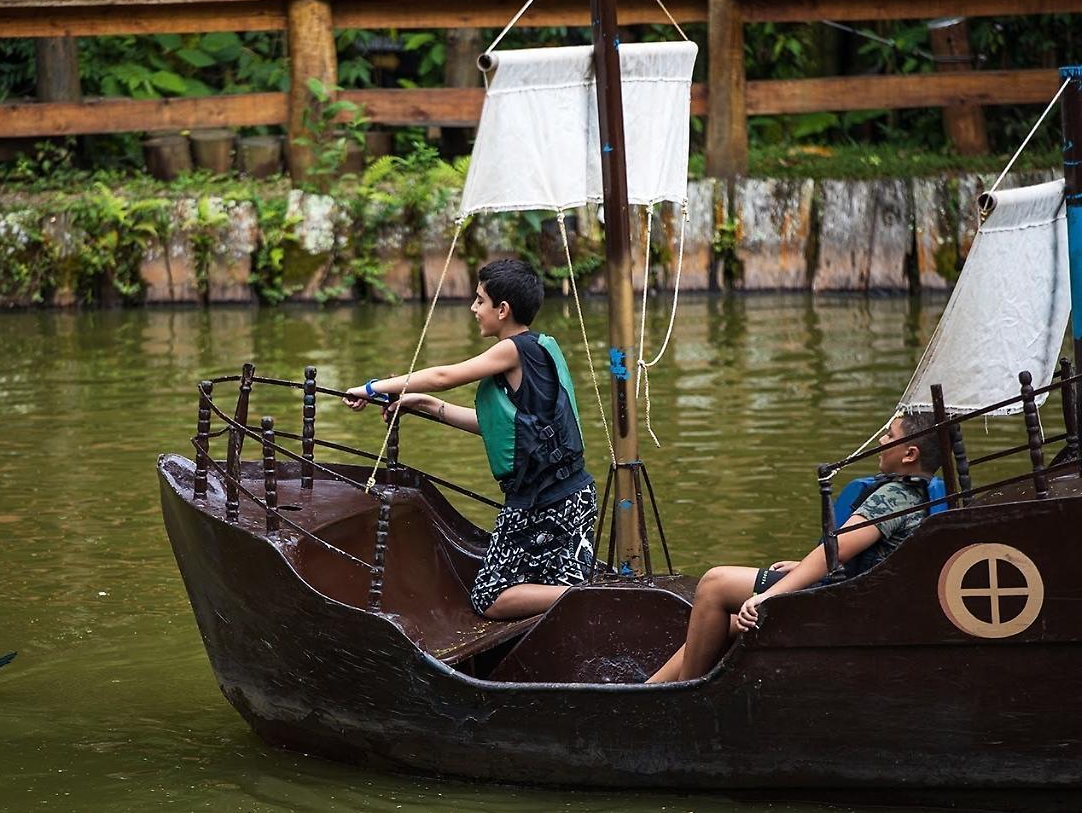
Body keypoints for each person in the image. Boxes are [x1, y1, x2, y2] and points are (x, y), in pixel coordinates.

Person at [343, 259, 596, 620]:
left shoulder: (514, 349)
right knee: (543, 588)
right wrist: (426, 405)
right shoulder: (541, 348)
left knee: (488, 598)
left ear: (503, 309)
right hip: (572, 494)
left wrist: (371, 388)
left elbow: (444, 375)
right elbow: (498, 428)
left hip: (544, 504)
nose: (473, 309)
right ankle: (576, 594)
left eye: (480, 300)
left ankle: (580, 595)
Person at [645, 410, 942, 684]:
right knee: (731, 622)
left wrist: (768, 597)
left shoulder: (893, 497)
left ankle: (682, 692)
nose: (881, 439)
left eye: (890, 435)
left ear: (910, 453)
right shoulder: (921, 491)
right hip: (862, 592)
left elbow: (835, 551)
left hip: (846, 601)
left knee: (714, 584)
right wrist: (802, 568)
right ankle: (651, 688)